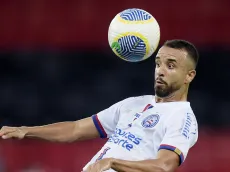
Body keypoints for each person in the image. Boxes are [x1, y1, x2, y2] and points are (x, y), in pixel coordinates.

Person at [0, 39, 199, 172]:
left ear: (189, 76)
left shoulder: (182, 117)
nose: (160, 71)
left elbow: (164, 165)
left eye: (170, 65)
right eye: (158, 64)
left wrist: (112, 162)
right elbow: (75, 129)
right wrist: (25, 130)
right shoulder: (134, 104)